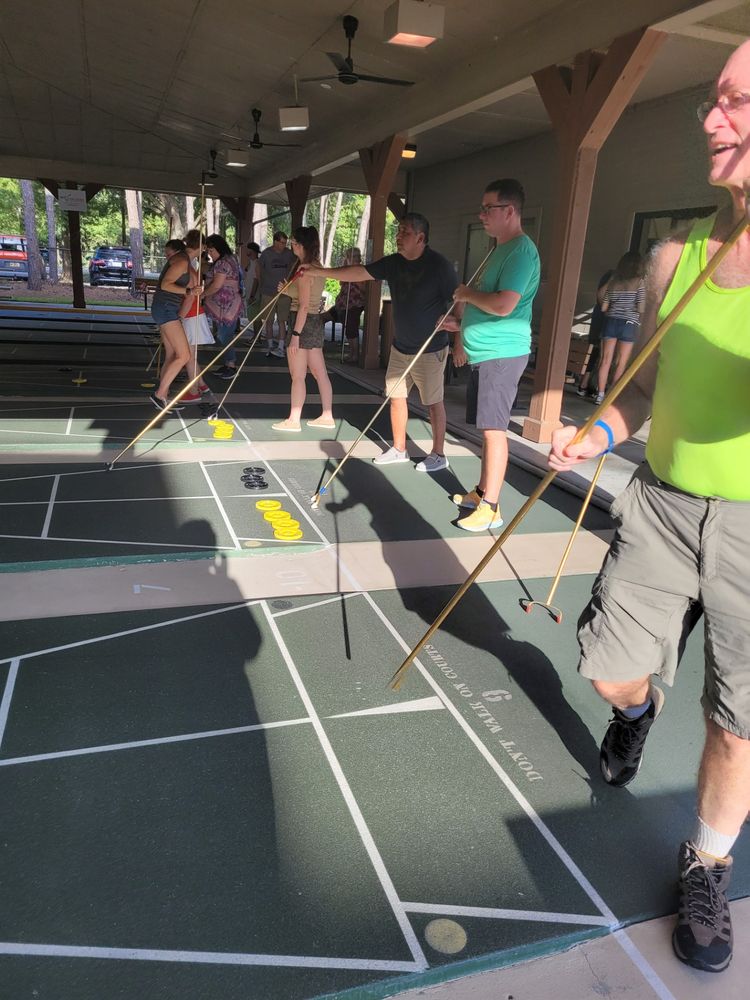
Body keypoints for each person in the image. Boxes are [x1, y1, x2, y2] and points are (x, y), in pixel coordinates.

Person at [548, 40, 750, 975]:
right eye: (713, 100)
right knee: (608, 669)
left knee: (738, 720)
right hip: (664, 503)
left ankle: (706, 862)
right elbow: (650, 383)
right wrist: (599, 432)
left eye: (736, 103)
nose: (711, 119)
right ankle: (637, 711)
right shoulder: (682, 255)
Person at [305, 213, 457, 473]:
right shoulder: (394, 263)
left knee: (433, 403)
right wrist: (319, 270)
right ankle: (399, 449)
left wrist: (460, 342)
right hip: (401, 346)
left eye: (405, 232)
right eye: (398, 231)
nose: (398, 236)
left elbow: (458, 302)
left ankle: (439, 454)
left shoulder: (439, 266)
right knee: (396, 397)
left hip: (430, 348)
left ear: (420, 238)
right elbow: (359, 272)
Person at [441, 178, 540, 531]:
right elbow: (489, 304)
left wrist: (466, 295)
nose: (481, 215)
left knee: (494, 430)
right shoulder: (498, 249)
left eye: (488, 208)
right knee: (486, 429)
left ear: (509, 211)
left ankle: (492, 507)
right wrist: (458, 326)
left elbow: (503, 304)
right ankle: (482, 491)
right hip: (487, 353)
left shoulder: (520, 251)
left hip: (502, 353)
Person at [271, 226, 334, 432]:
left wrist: (295, 335)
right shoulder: (315, 266)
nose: (291, 245)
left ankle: (294, 420)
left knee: (298, 374)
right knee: (320, 373)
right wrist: (287, 290)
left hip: (303, 322)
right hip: (313, 321)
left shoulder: (306, 269)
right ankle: (327, 415)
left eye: (294, 242)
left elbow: (304, 304)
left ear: (301, 245)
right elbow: (307, 299)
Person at [148, 238, 197, 410]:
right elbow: (166, 285)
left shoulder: (185, 262)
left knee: (171, 355)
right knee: (184, 355)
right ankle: (160, 394)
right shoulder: (181, 261)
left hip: (166, 309)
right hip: (166, 310)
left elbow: (191, 284)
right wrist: (189, 291)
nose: (167, 257)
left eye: (168, 254)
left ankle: (163, 395)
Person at [593, 251, 645, 404]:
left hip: (611, 322)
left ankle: (600, 394)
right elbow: (641, 308)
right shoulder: (640, 282)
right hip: (629, 324)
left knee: (605, 360)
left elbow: (603, 307)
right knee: (621, 362)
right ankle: (612, 396)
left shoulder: (615, 283)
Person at [202, 234, 243, 380]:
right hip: (225, 303)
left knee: (224, 334)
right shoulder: (230, 259)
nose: (210, 255)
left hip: (227, 304)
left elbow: (216, 285)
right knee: (223, 334)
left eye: (212, 251)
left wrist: (202, 295)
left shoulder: (223, 263)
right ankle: (228, 363)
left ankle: (231, 364)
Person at [256, 231, 297, 357]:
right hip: (268, 292)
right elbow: (258, 269)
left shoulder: (289, 254)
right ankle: (270, 346)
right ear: (275, 242)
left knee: (282, 320)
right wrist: (261, 284)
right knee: (268, 320)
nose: (284, 245)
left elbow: (295, 266)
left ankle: (280, 347)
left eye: (285, 243)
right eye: (282, 243)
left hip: (284, 293)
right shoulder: (266, 254)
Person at [577, 268, 613, 398]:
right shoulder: (615, 280)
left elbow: (599, 297)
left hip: (599, 320)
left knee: (596, 353)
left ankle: (585, 384)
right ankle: (599, 390)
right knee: (604, 357)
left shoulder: (608, 277)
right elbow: (601, 298)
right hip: (608, 322)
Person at [325, 247, 366, 363]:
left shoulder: (360, 270)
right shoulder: (347, 269)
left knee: (351, 328)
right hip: (343, 304)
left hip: (354, 304)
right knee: (328, 318)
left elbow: (362, 286)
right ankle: (351, 353)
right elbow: (341, 281)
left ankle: (355, 354)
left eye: (353, 257)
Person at [243, 241, 261, 321]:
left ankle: (257, 333)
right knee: (252, 318)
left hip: (254, 295)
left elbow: (256, 280)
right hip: (249, 293)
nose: (246, 252)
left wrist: (252, 296)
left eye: (248, 250)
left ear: (252, 251)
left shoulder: (257, 263)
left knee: (256, 319)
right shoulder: (251, 263)